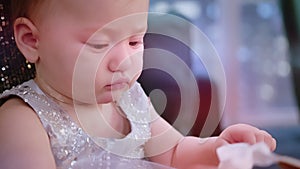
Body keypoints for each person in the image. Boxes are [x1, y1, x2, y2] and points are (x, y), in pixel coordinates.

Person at [0, 0, 276, 169]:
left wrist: (217, 150)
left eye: (134, 41)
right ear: (31, 40)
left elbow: (174, 153)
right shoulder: (21, 120)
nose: (122, 62)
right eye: (99, 44)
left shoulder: (130, 99)